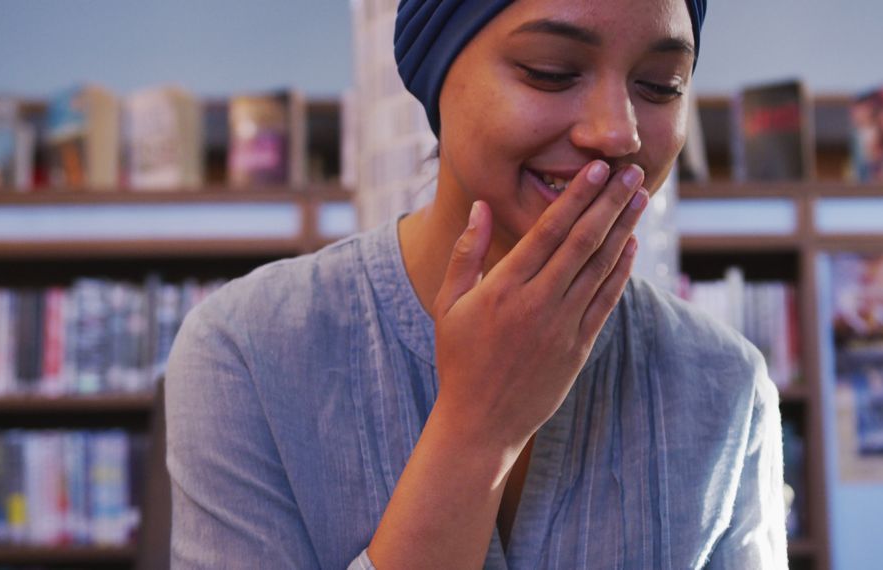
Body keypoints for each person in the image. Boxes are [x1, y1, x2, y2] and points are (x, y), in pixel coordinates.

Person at [165, 0, 788, 568]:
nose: (617, 134)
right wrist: (477, 428)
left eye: (661, 85)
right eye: (550, 71)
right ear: (439, 78)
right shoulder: (246, 350)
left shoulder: (724, 382)